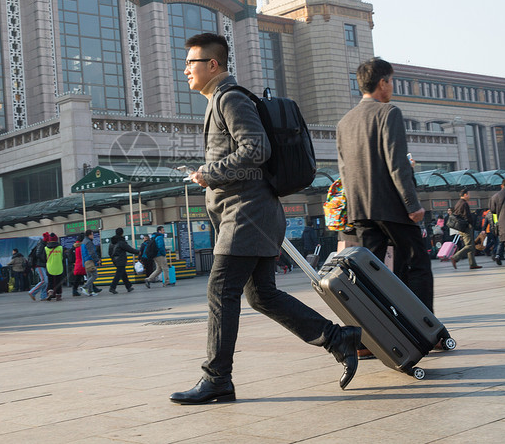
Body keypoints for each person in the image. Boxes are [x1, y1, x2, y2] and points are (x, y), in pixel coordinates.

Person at [170, 32, 360, 405]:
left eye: (191, 63)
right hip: (249, 215)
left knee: (221, 291)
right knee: (261, 296)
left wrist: (210, 172)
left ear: (213, 65)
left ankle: (216, 379)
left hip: (247, 215)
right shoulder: (220, 100)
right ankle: (339, 339)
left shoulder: (229, 97)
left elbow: (256, 148)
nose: (185, 70)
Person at [336, 57, 434, 312]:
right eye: (391, 81)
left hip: (361, 211)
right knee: (417, 262)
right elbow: (397, 163)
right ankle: (427, 330)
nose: (392, 87)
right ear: (382, 83)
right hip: (392, 208)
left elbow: (344, 171)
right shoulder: (389, 112)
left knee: (370, 273)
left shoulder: (344, 122)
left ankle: (369, 337)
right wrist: (412, 204)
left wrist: (354, 209)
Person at [449, 190, 483, 270]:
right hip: (466, 227)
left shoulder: (458, 203)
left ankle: (473, 264)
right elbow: (467, 216)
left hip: (461, 227)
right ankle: (455, 257)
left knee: (470, 244)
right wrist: (471, 224)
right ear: (465, 195)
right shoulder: (464, 204)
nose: (469, 196)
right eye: (469, 194)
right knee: (470, 246)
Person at [108, 228, 138, 294]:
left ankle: (128, 286)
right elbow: (129, 249)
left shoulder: (112, 243)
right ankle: (112, 287)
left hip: (115, 260)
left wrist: (113, 258)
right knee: (118, 274)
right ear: (122, 233)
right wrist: (138, 252)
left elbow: (109, 252)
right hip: (120, 260)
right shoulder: (121, 242)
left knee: (123, 273)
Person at [28, 233, 50, 301]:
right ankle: (32, 292)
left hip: (41, 265)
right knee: (44, 280)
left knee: (46, 280)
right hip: (39, 265)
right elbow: (38, 254)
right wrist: (45, 259)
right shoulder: (41, 245)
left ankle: (43, 296)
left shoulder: (42, 244)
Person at [44, 233, 65, 300]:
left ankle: (50, 292)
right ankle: (58, 295)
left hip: (50, 266)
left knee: (50, 281)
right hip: (59, 267)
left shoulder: (46, 248)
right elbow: (64, 257)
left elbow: (43, 257)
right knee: (58, 281)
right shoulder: (60, 248)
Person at [79, 230, 100, 296]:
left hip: (85, 261)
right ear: (89, 235)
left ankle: (90, 291)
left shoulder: (83, 242)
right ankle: (84, 287)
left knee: (89, 277)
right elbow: (92, 252)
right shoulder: (88, 242)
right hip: (90, 261)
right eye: (92, 234)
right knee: (95, 275)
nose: (93, 236)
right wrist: (97, 260)